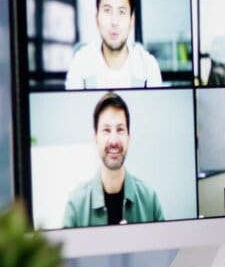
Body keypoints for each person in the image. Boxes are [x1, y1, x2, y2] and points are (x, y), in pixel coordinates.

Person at [64, 92, 165, 226]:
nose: (114, 140)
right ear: (95, 138)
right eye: (106, 130)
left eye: (120, 129)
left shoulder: (149, 199)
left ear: (129, 137)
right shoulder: (76, 204)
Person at [65, 0, 164, 89]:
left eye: (121, 12)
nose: (114, 22)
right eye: (107, 10)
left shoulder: (148, 66)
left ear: (131, 20)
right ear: (97, 18)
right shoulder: (80, 63)